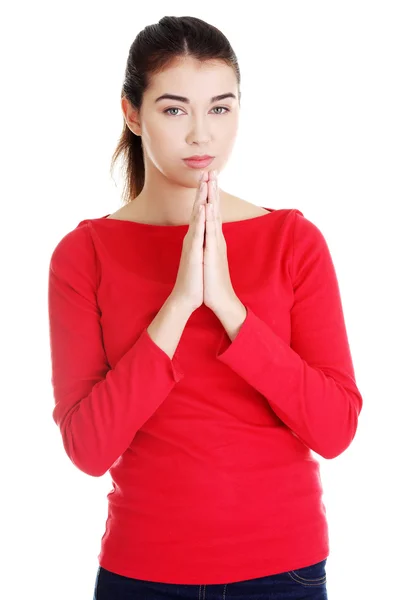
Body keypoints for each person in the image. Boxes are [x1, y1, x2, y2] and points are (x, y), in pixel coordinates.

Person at [47, 15, 363, 600]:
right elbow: (89, 449)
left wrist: (230, 307)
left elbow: (336, 427)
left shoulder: (293, 241)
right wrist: (179, 303)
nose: (201, 135)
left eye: (220, 108)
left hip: (283, 572)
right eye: (174, 109)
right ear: (132, 113)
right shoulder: (83, 255)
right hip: (142, 574)